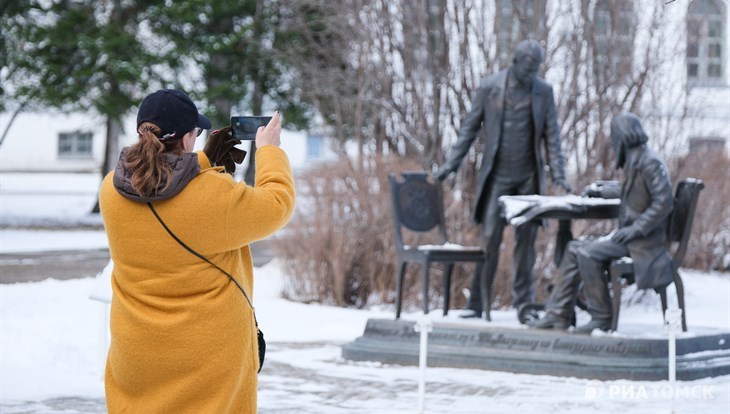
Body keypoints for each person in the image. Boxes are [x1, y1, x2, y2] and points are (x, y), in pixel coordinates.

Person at [99, 89, 295, 413]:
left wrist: (203, 160)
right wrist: (270, 152)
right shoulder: (215, 197)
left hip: (138, 355)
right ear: (189, 138)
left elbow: (160, 188)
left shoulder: (112, 189)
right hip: (205, 364)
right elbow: (278, 205)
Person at [434, 39, 571, 318]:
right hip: (498, 177)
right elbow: (468, 130)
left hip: (528, 180)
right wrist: (450, 165)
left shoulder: (544, 92)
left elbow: (552, 138)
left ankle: (524, 306)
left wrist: (559, 175)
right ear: (516, 62)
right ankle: (477, 304)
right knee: (489, 240)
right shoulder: (489, 87)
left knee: (526, 245)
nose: (532, 73)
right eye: (528, 67)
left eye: (537, 68)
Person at [528, 111, 674, 333]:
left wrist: (636, 229)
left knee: (589, 253)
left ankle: (602, 318)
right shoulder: (637, 161)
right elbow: (633, 190)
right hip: (634, 237)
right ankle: (558, 314)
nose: (613, 144)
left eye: (614, 137)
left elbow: (663, 202)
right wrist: (601, 190)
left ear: (623, 136)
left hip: (643, 243)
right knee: (574, 247)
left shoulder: (649, 162)